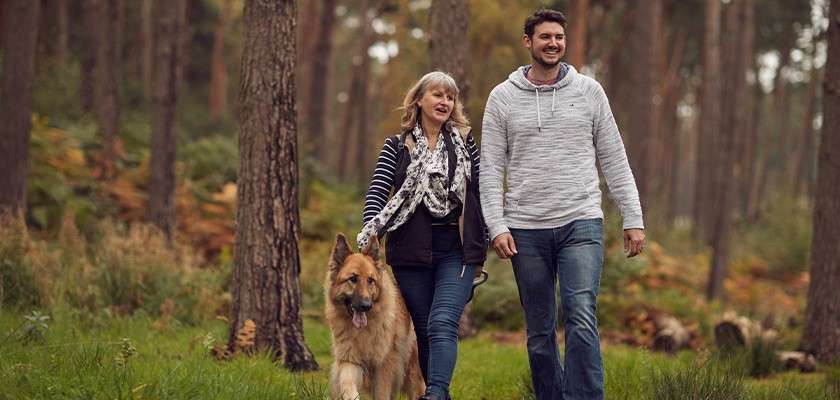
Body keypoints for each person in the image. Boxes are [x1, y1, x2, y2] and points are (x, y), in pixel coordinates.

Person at [479, 9, 646, 400]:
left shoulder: (590, 92)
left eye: (559, 37)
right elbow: (490, 168)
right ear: (528, 42)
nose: (553, 43)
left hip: (580, 221)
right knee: (540, 332)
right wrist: (497, 225)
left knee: (580, 315)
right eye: (545, 37)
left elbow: (614, 157)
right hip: (525, 229)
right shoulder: (502, 98)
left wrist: (633, 217)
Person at [357, 71, 488, 400]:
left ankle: (436, 393)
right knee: (426, 327)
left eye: (450, 97)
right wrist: (370, 233)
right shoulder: (396, 146)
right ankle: (437, 392)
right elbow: (377, 193)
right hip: (410, 250)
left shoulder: (465, 142)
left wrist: (491, 234)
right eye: (437, 95)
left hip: (457, 248)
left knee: (442, 321)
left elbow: (483, 189)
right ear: (418, 100)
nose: (445, 102)